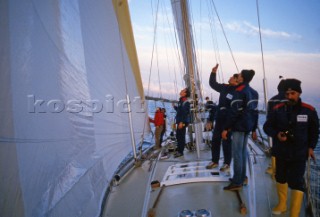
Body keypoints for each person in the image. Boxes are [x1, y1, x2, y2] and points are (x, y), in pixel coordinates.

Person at [263, 78, 319, 217]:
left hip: (299, 153)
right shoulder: (277, 110)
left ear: (299, 93)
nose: (290, 97)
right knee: (280, 177)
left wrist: (311, 147)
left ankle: (294, 213)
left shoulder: (309, 110)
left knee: (296, 182)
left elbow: (315, 131)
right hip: (281, 151)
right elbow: (267, 127)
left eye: (293, 93)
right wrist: (277, 134)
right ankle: (282, 204)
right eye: (287, 94)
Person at [222, 69, 259, 190]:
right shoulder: (254, 92)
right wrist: (254, 129)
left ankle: (237, 182)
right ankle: (242, 177)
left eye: (239, 75)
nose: (237, 76)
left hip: (238, 126)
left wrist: (226, 128)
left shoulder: (239, 91)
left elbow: (234, 112)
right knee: (242, 152)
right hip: (248, 126)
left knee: (237, 153)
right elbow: (254, 112)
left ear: (241, 78)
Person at [206, 64, 239, 173]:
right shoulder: (225, 87)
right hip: (219, 118)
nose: (229, 77)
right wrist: (213, 72)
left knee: (226, 142)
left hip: (228, 120)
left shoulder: (238, 93)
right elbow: (213, 84)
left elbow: (235, 110)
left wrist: (229, 125)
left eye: (232, 77)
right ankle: (214, 161)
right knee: (215, 140)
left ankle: (227, 163)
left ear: (236, 80)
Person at [265, 78, 287, 179]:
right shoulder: (290, 100)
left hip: (275, 130)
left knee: (276, 150)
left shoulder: (272, 100)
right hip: (287, 130)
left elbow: (269, 117)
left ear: (278, 88)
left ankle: (274, 171)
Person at [172, 88, 191, 158]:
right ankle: (179, 149)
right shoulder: (181, 101)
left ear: (185, 93)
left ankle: (181, 152)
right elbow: (180, 111)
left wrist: (181, 122)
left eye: (182, 90)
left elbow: (185, 113)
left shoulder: (186, 102)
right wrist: (174, 107)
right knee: (178, 136)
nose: (181, 91)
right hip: (180, 121)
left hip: (182, 122)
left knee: (181, 136)